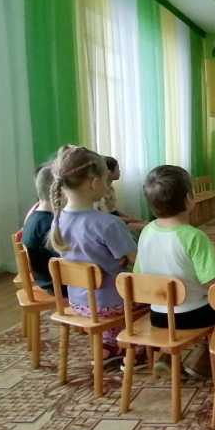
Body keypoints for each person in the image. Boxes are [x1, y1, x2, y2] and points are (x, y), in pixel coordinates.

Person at [48, 146, 142, 365]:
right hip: (111, 304)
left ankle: (109, 344)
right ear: (94, 183)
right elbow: (137, 261)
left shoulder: (57, 221)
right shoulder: (107, 223)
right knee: (155, 295)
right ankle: (138, 350)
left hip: (78, 302)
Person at [134, 165, 215, 378]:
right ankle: (201, 362)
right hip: (191, 316)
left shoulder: (146, 231)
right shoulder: (194, 236)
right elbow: (212, 286)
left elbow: (139, 276)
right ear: (188, 199)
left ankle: (166, 355)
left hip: (158, 314)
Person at [21, 165, 62, 294]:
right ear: (59, 193)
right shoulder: (49, 224)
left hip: (45, 280)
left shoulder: (35, 216)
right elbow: (68, 260)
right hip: (58, 285)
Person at [102, 156, 148, 234]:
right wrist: (129, 220)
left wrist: (128, 217)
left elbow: (114, 210)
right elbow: (107, 216)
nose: (119, 171)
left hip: (118, 218)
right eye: (117, 169)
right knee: (147, 228)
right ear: (109, 172)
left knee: (147, 223)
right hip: (113, 222)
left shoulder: (111, 188)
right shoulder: (101, 192)